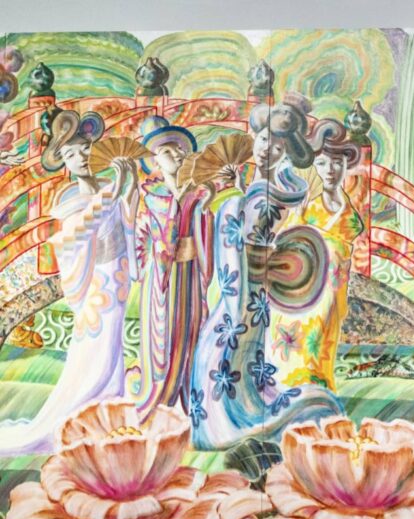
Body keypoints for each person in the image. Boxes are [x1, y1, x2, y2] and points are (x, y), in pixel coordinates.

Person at [188, 95, 343, 449]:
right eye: (262, 141)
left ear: (285, 153)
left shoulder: (278, 190)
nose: (265, 150)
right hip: (239, 281)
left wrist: (232, 199)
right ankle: (218, 419)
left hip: (248, 283)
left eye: (276, 148)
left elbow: (246, 231)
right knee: (221, 348)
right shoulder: (255, 185)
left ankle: (228, 421)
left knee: (228, 347)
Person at [0, 109, 139, 456]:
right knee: (96, 350)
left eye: (84, 149)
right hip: (96, 282)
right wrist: (114, 192)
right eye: (71, 153)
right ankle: (82, 417)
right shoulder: (68, 198)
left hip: (118, 276)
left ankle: (108, 414)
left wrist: (131, 186)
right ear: (62, 160)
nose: (80, 157)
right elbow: (77, 235)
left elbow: (126, 218)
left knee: (115, 349)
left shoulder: (106, 186)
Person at [128, 115, 211, 421]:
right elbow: (139, 237)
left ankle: (189, 401)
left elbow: (207, 230)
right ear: (154, 160)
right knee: (161, 337)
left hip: (190, 275)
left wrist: (205, 213)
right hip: (159, 279)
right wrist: (154, 261)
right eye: (166, 151)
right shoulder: (151, 195)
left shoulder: (198, 193)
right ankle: (156, 400)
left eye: (179, 149)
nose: (176, 155)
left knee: (191, 331)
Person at [269, 117, 362, 390]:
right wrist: (297, 219)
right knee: (295, 339)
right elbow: (287, 243)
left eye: (337, 163)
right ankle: (290, 385)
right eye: (322, 163)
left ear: (346, 165)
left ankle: (317, 388)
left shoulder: (350, 215)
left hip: (332, 288)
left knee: (322, 340)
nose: (330, 170)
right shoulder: (308, 206)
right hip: (304, 286)